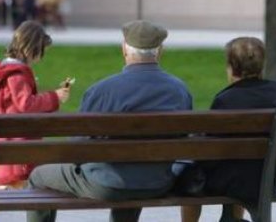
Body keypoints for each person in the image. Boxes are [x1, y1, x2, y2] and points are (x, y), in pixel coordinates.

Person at [26, 20, 193, 222]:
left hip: (106, 184)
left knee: (38, 176)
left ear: (124, 49)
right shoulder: (179, 91)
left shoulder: (102, 91)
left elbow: (77, 148)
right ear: (160, 51)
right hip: (158, 183)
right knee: (132, 172)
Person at [181, 37, 276, 222]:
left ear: (231, 67)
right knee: (238, 164)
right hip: (266, 179)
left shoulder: (225, 99)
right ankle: (230, 218)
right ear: (262, 65)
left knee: (190, 174)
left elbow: (211, 150)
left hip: (232, 181)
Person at [0, 20, 72, 221]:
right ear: (30, 49)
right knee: (41, 186)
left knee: (9, 189)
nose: (40, 58)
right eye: (40, 52)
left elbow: (14, 104)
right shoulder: (16, 74)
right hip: (18, 150)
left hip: (5, 146)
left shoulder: (3, 72)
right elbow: (25, 104)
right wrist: (54, 97)